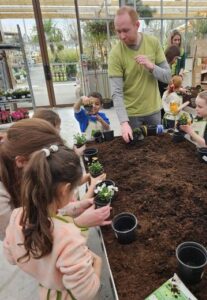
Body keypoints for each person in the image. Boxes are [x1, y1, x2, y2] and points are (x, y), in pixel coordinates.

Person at [3, 145, 101, 299]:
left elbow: (10, 257)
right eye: (74, 189)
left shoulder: (17, 215)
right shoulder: (69, 238)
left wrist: (77, 207)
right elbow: (86, 293)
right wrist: (97, 264)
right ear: (65, 190)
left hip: (45, 290)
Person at [0, 119, 111, 241]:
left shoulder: (29, 174)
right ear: (21, 161)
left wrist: (76, 208)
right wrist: (78, 224)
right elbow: (22, 242)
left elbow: (45, 210)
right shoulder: (2, 198)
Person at [108, 6, 171, 143]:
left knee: (157, 150)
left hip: (154, 112)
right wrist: (124, 123)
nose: (122, 36)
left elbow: (167, 76)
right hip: (132, 116)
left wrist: (152, 67)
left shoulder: (153, 43)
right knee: (136, 155)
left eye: (125, 30)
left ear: (137, 25)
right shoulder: (115, 54)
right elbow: (116, 92)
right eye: (118, 31)